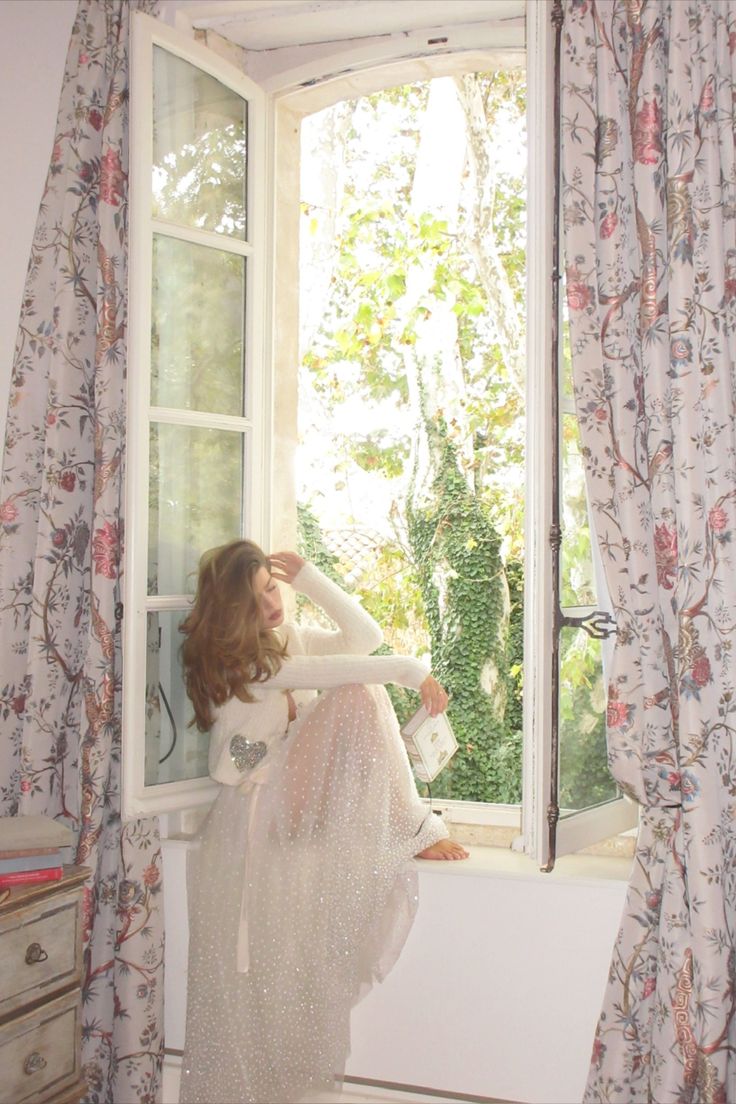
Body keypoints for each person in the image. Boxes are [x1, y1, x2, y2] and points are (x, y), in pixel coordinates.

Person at [178, 540, 468, 1104]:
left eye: (272, 588)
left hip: (293, 797)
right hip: (261, 805)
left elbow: (364, 640)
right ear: (234, 612)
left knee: (357, 689)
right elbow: (228, 766)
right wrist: (411, 671)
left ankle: (403, 823)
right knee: (359, 691)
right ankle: (411, 824)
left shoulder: (285, 643)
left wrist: (311, 580)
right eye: (258, 597)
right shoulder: (248, 663)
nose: (272, 603)